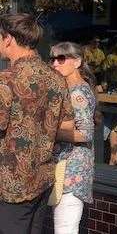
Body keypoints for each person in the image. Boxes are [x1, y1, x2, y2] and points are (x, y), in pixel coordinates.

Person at [0, 13, 75, 233]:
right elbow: (69, 125)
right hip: (41, 180)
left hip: (11, 185)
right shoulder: (56, 78)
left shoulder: (7, 79)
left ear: (8, 39)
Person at [50, 42, 97, 234]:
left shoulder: (79, 93)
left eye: (61, 58)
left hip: (72, 168)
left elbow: (85, 133)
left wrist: (49, 130)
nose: (55, 63)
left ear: (77, 62)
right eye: (52, 58)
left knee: (65, 227)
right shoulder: (67, 88)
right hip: (63, 165)